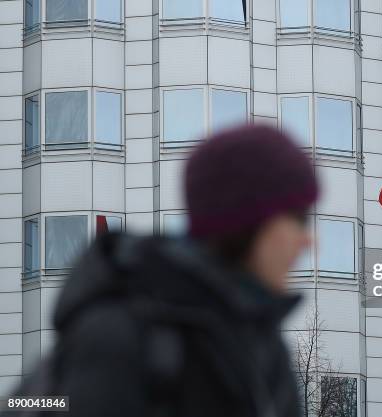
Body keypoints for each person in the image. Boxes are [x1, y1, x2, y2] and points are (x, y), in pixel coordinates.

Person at [10, 125, 318, 417]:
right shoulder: (120, 336)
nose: (309, 241)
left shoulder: (264, 348)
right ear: (247, 224)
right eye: (299, 219)